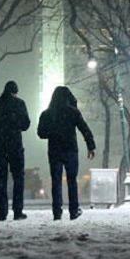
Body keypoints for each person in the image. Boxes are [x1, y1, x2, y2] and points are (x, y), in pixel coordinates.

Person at [37, 86, 95, 221]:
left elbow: (40, 133)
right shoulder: (73, 112)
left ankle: (57, 212)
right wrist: (90, 146)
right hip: (70, 150)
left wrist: (53, 132)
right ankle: (74, 210)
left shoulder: (46, 114)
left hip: (54, 150)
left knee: (56, 182)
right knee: (72, 181)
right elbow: (84, 129)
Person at [0, 81, 31, 221]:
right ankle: (17, 211)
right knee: (18, 178)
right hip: (14, 145)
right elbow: (26, 125)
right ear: (15, 91)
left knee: (1, 179)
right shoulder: (19, 104)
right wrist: (14, 125)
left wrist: (0, 130)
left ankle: (2, 212)